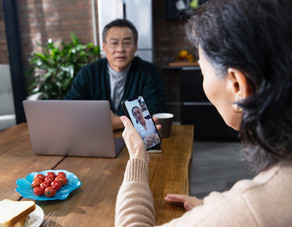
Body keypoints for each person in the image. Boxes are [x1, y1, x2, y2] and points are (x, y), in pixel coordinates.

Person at [115, 0, 292, 226]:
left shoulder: (251, 208)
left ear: (238, 85)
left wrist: (138, 157)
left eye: (202, 70)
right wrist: (212, 213)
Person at [64, 19, 167, 130]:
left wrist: (117, 122)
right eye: (114, 43)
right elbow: (70, 108)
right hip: (95, 134)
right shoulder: (88, 73)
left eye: (127, 43)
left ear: (136, 46)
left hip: (137, 138)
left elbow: (157, 109)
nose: (120, 49)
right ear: (104, 47)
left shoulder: (148, 72)